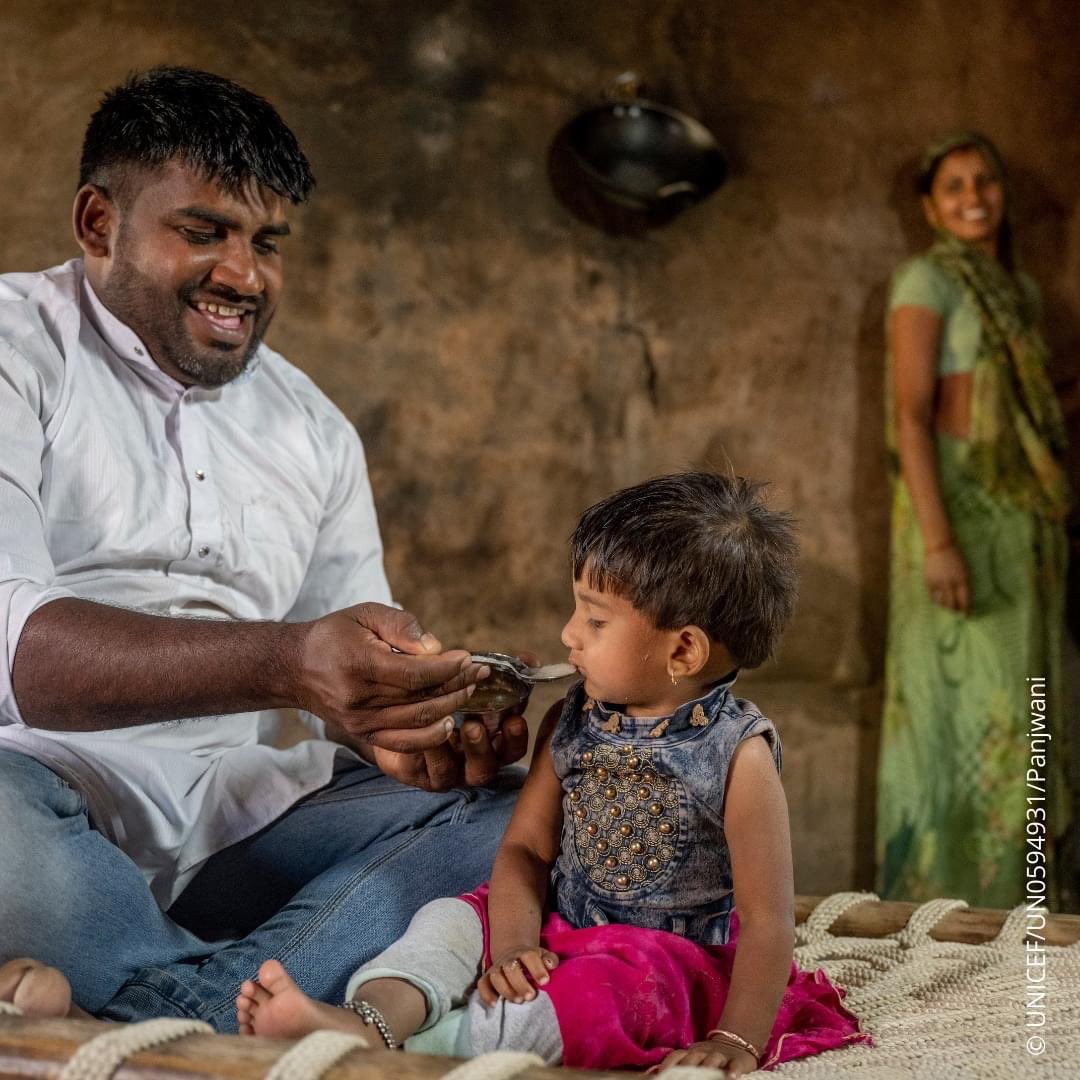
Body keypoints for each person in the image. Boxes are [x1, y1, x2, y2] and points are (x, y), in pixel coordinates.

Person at [0, 66, 526, 1031]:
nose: (244, 276)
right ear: (97, 223)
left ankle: (168, 1008)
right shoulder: (14, 350)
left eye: (266, 242)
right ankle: (256, 1004)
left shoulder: (314, 429)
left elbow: (348, 694)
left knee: (525, 817)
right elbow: (16, 649)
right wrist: (290, 661)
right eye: (203, 232)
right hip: (35, 791)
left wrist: (419, 726)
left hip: (240, 826)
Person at [235, 473, 868, 1077]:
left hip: (657, 964)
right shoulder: (572, 719)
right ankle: (367, 1023)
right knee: (446, 922)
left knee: (588, 999)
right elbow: (524, 848)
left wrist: (734, 1039)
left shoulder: (738, 755)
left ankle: (425, 1053)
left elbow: (767, 921)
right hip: (555, 923)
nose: (569, 635)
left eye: (595, 620)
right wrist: (511, 944)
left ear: (683, 651)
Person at [876, 132, 1072, 907]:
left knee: (1026, 710)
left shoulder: (1017, 292)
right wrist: (941, 542)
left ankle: (1024, 906)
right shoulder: (924, 281)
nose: (973, 195)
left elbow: (1029, 412)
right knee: (958, 713)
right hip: (950, 519)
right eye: (953, 184)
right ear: (929, 205)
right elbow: (910, 416)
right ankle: (946, 909)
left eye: (984, 179)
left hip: (1020, 527)